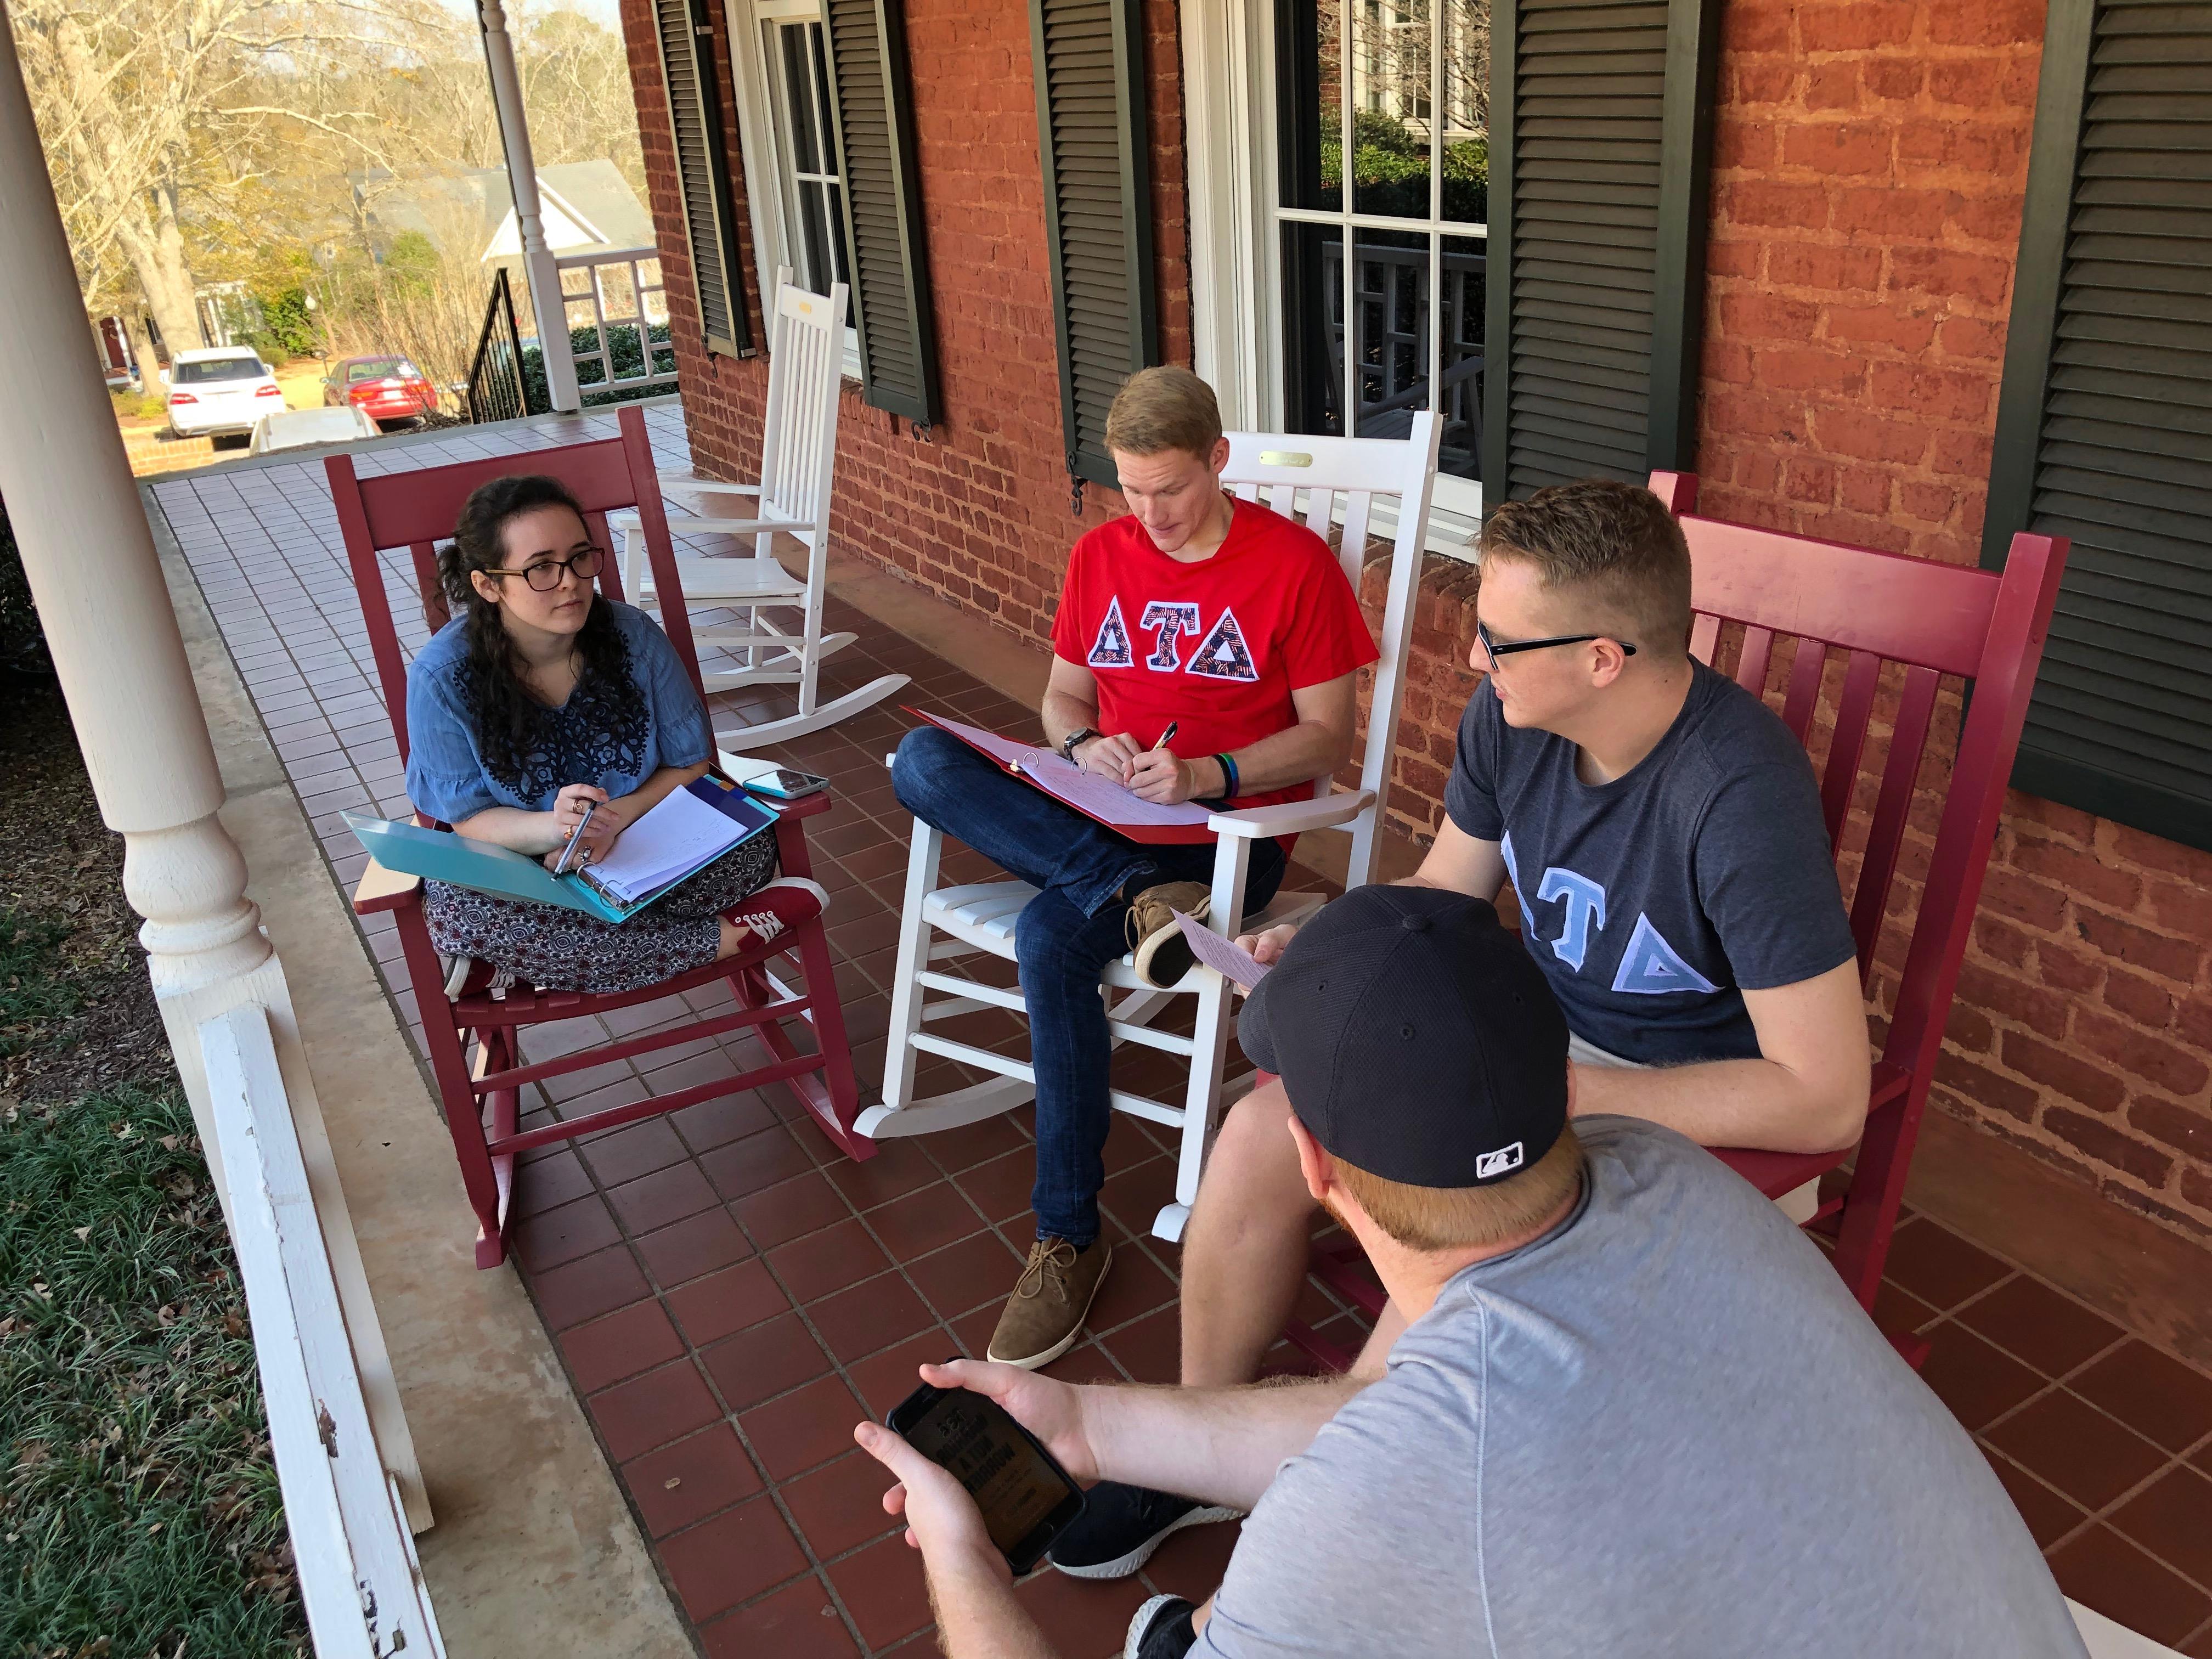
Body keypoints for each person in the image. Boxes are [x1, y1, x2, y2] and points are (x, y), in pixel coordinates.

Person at [851, 886, 2090, 1659]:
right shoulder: (1665, 1171)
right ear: (1558, 1080)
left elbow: (1409, 1457)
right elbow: (1384, 1421)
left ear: (1310, 1164)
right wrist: (1085, 1425)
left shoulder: (1378, 1508)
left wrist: (962, 1558)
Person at [1049, 477, 1877, 1573]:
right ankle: (1199, 1454)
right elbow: (1447, 891)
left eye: (1501, 640)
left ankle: (1334, 1523)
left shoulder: (1737, 798)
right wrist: (1337, 949)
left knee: (1436, 1295)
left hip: (1677, 1100)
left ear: (1603, 659)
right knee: (1257, 1134)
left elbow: (1827, 1096)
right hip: (1527, 1040)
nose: (1476, 661)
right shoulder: (1518, 716)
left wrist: (1569, 1098)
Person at [888, 365, 1379, 1369]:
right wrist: (1078, 749)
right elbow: (1063, 698)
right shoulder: (1099, 554)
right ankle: (1130, 897)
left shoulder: (1291, 566)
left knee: (1043, 936)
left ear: (1217, 459)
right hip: (1106, 823)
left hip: (1223, 832)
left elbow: (1327, 737)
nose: (1148, 512)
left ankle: (1065, 1232)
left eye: (1170, 487)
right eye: (1130, 488)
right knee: (920, 759)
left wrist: (1210, 770)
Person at [403, 473, 820, 995]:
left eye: (580, 557)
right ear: (490, 586)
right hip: (531, 868)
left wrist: (613, 821)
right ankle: (723, 938)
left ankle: (530, 961)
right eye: (540, 568)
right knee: (453, 905)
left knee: (750, 847)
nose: (570, 581)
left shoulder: (634, 639)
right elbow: (469, 820)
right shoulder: (442, 678)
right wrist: (556, 833)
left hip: (649, 841)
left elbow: (690, 765)